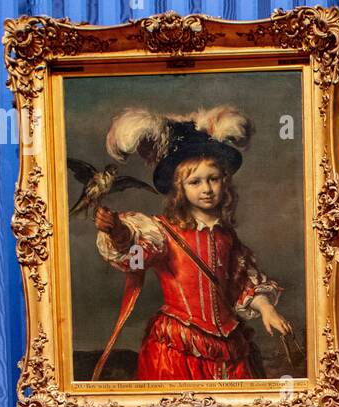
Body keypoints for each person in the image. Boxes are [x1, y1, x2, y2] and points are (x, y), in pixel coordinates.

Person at [92, 106, 292, 381]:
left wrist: (267, 309)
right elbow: (137, 255)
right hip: (177, 350)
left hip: (230, 350)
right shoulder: (162, 232)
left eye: (213, 179)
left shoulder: (226, 237)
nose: (207, 189)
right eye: (195, 182)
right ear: (180, 189)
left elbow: (241, 283)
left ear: (225, 182)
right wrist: (117, 231)